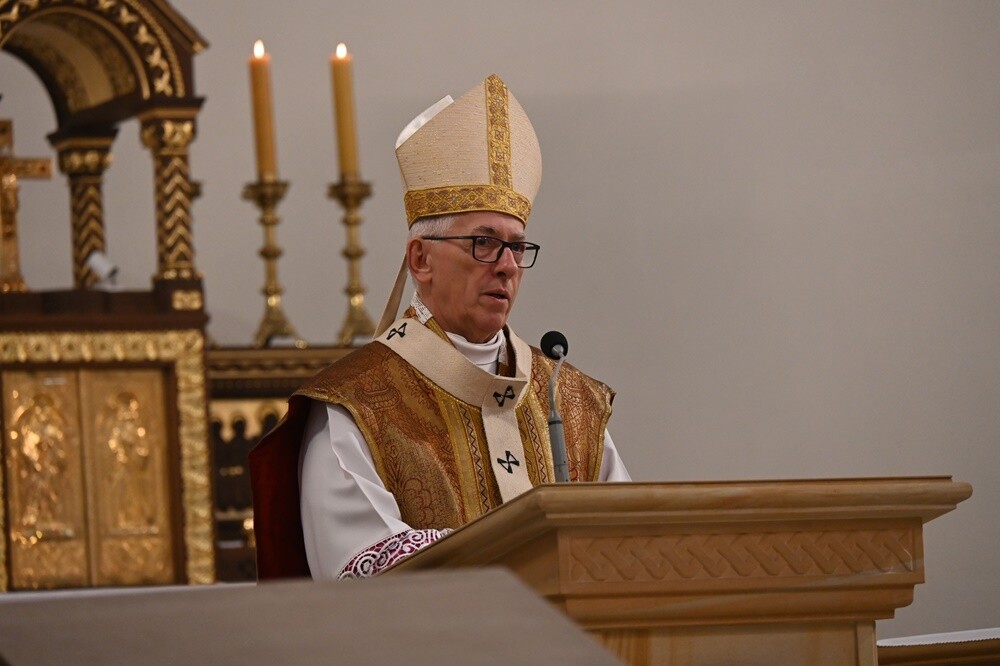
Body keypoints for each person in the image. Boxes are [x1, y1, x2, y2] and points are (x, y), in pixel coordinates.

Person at [248, 74, 629, 581]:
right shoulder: (356, 408)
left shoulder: (573, 401)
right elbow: (363, 587)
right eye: (484, 243)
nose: (508, 266)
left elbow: (626, 550)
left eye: (517, 246)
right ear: (421, 258)